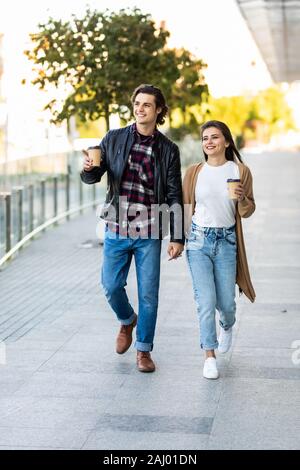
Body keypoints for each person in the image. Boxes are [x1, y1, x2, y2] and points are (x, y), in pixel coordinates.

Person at [81, 84, 184, 373]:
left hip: (150, 230)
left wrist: (177, 236)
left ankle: (143, 351)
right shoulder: (113, 138)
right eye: (137, 103)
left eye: (147, 105)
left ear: (159, 110)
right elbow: (95, 173)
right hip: (116, 225)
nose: (140, 109)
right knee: (111, 286)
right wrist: (89, 168)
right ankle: (127, 320)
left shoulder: (168, 150)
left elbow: (175, 193)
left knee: (149, 294)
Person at [183, 120, 255, 379]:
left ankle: (227, 325)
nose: (209, 142)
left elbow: (247, 211)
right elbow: (185, 206)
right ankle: (209, 356)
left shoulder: (240, 170)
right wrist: (178, 241)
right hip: (198, 241)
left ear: (226, 141)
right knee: (205, 302)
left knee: (226, 303)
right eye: (205, 138)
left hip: (226, 242)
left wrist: (242, 197)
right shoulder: (194, 172)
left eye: (214, 137)